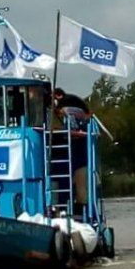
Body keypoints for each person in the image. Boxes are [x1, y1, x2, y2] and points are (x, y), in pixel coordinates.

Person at [52, 88, 92, 218]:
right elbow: (88, 115)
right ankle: (83, 212)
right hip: (79, 152)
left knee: (68, 185)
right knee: (81, 188)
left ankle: (68, 211)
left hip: (69, 151)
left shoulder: (64, 106)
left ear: (57, 96)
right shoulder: (77, 102)